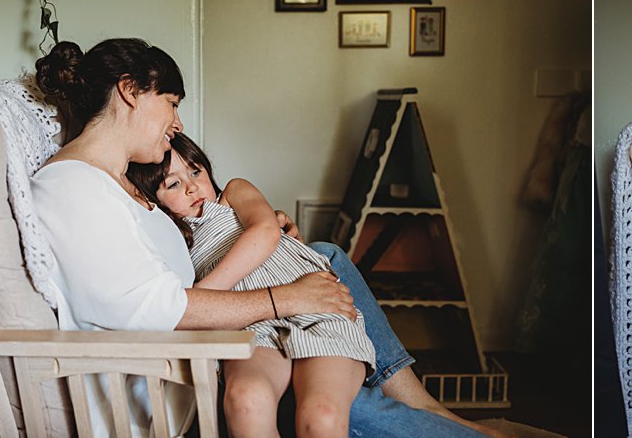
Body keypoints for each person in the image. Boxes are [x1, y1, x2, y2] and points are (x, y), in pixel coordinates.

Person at [31, 38, 491, 437]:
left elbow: (179, 262)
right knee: (332, 407)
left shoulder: (117, 181)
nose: (178, 123)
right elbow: (160, 307)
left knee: (321, 261)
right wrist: (285, 297)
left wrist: (273, 246)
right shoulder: (72, 186)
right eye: (171, 102)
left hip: (213, 350)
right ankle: (435, 413)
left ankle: (421, 402)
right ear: (130, 91)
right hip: (184, 375)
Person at [127, 132, 374, 436]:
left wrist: (198, 298)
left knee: (321, 415)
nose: (192, 186)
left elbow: (266, 231)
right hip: (249, 325)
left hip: (315, 302)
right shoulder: (170, 237)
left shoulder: (233, 193)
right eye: (174, 184)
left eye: (195, 171)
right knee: (246, 400)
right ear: (155, 200)